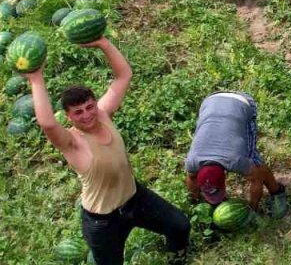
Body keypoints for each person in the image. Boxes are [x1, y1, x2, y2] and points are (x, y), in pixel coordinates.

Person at [24, 38, 189, 265]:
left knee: (180, 226)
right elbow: (48, 123)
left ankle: (176, 259)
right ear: (69, 116)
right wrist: (36, 79)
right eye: (78, 112)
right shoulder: (73, 142)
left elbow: (124, 76)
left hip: (136, 198)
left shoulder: (103, 114)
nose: (87, 115)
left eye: (89, 107)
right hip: (103, 221)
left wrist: (103, 44)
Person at [185, 91, 288, 219]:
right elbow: (191, 179)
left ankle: (277, 192)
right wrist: (194, 203)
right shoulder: (192, 162)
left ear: (225, 177)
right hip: (211, 101)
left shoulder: (237, 161)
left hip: (240, 103)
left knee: (254, 160)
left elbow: (256, 179)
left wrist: (252, 210)